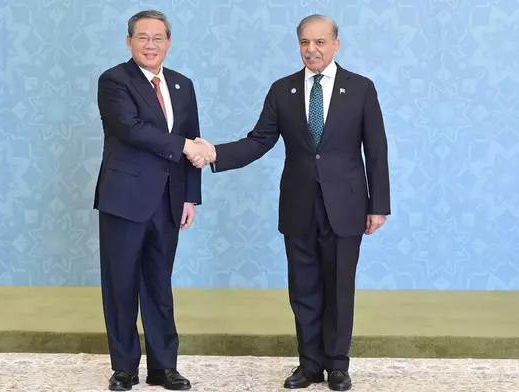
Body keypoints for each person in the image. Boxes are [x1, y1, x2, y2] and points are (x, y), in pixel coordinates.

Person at [190, 14, 391, 391]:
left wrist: (378, 204)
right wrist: (215, 152)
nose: (311, 50)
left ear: (335, 44)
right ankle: (309, 365)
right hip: (298, 205)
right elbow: (259, 140)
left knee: (338, 288)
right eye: (304, 43)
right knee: (303, 290)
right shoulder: (283, 90)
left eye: (319, 42)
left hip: (345, 206)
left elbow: (376, 148)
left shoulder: (361, 88)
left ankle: (337, 365)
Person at [94, 10, 213, 391]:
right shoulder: (114, 80)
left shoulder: (182, 85)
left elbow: (193, 135)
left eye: (158, 37)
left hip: (169, 201)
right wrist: (185, 146)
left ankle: (164, 367)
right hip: (124, 199)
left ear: (168, 43)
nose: (150, 44)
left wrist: (190, 197)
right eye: (142, 37)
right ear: (129, 42)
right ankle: (124, 368)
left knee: (159, 284)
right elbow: (131, 129)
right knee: (121, 284)